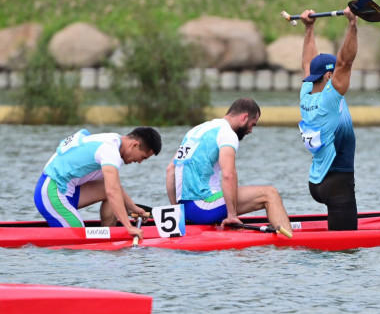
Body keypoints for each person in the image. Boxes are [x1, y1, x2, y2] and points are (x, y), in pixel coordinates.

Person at [166, 97, 292, 233]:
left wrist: (178, 212)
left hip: (186, 209)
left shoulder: (196, 131)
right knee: (270, 194)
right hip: (202, 207)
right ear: (244, 117)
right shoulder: (227, 134)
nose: (251, 130)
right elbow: (228, 175)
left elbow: (171, 170)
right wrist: (232, 215)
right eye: (253, 124)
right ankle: (291, 243)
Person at [34, 127, 162, 240]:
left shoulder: (113, 140)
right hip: (51, 193)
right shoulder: (110, 151)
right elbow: (112, 191)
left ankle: (108, 238)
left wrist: (132, 207)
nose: (140, 162)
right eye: (143, 157)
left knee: (106, 188)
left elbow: (114, 186)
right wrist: (129, 227)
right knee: (78, 241)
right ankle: (104, 240)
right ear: (134, 145)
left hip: (68, 189)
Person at [298, 6, 359, 230]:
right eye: (335, 73)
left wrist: (309, 28)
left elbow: (308, 62)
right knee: (346, 254)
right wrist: (352, 25)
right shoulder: (329, 100)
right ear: (328, 75)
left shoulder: (305, 92)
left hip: (316, 182)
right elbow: (346, 62)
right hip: (338, 185)